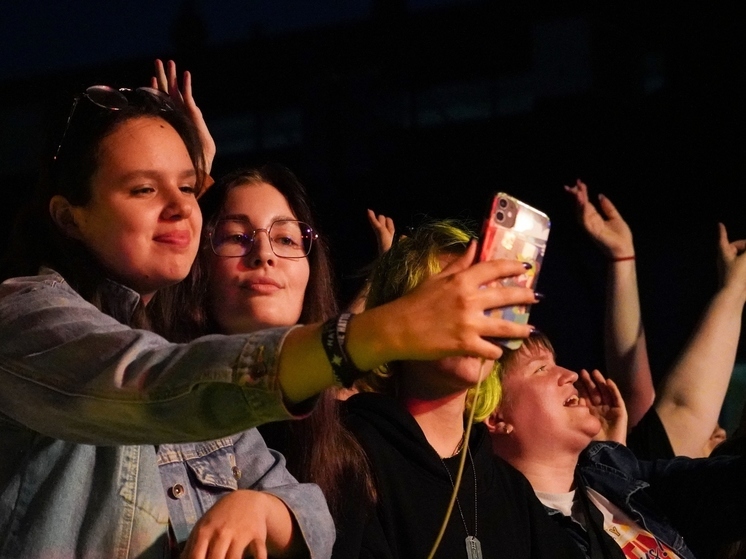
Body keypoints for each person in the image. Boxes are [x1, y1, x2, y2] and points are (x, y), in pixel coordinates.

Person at [0, 66, 538, 558]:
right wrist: (382, 331)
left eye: (188, 188)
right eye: (143, 187)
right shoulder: (24, 318)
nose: (179, 206)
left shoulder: (300, 420)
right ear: (69, 218)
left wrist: (269, 510)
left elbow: (308, 511)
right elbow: (155, 382)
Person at [334, 219, 583, 559]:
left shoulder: (511, 489)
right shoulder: (352, 454)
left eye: (489, 303)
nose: (475, 319)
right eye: (454, 300)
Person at [487, 332, 746, 559]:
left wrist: (614, 451)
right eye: (541, 368)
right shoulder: (504, 528)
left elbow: (727, 484)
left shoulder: (617, 480)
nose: (570, 375)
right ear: (495, 416)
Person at [565, 179, 746, 458]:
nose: (717, 430)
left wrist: (621, 258)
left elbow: (634, 391)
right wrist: (734, 292)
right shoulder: (676, 489)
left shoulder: (645, 479)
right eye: (715, 424)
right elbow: (678, 409)